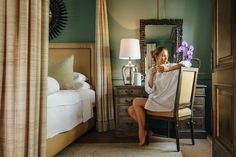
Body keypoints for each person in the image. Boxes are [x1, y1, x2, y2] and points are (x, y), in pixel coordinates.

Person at [127, 46, 191, 146]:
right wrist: (152, 75)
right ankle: (146, 131)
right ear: (156, 56)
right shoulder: (150, 71)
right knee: (131, 109)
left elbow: (188, 63)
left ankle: (143, 131)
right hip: (157, 101)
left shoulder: (172, 67)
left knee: (135, 102)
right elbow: (149, 91)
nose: (165, 59)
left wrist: (168, 68)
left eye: (166, 56)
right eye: (162, 56)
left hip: (167, 103)